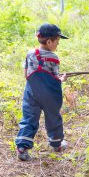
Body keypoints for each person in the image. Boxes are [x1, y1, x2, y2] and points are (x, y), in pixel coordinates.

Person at [14, 23, 69, 161]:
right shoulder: (53, 58)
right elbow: (55, 77)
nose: (58, 44)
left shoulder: (30, 53)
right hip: (49, 95)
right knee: (53, 118)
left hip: (31, 92)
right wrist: (61, 79)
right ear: (49, 41)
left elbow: (26, 73)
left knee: (29, 119)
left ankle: (22, 148)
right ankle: (57, 144)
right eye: (57, 41)